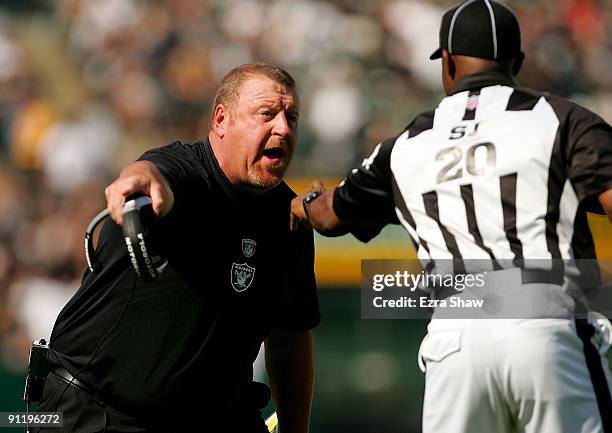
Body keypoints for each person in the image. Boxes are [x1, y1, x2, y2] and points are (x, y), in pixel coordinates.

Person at [290, 1, 612, 432]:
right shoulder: (564, 119)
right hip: (545, 321)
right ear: (516, 63)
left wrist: (308, 201)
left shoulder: (405, 144)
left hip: (454, 341)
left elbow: (329, 218)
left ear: (448, 62)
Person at [36, 63, 319, 433]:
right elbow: (150, 176)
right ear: (221, 120)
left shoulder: (290, 220)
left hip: (213, 414)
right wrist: (135, 183)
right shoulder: (183, 171)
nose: (283, 128)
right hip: (97, 412)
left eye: (292, 117)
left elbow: (290, 337)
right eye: (267, 114)